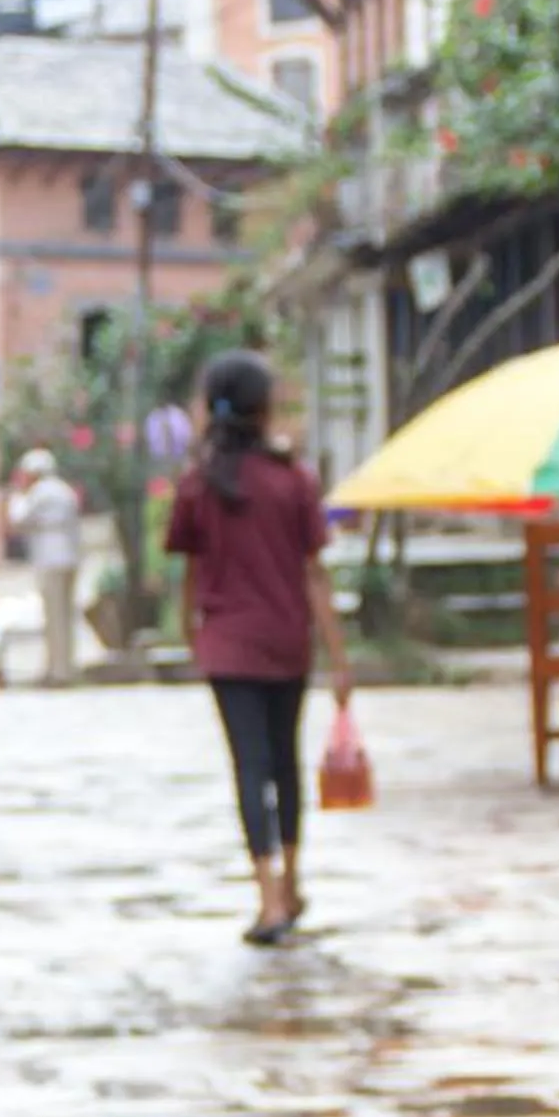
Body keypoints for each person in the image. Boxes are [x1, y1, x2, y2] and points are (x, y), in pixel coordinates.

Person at [166, 350, 354, 950]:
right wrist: (338, 654)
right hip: (285, 640)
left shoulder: (199, 484)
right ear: (264, 406)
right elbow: (314, 574)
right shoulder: (293, 480)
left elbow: (190, 573)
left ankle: (268, 891)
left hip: (228, 645)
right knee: (284, 763)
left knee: (248, 766)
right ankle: (292, 881)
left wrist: (191, 631)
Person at [7, 447, 83, 686]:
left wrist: (18, 495)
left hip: (50, 559)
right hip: (69, 557)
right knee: (65, 616)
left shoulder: (39, 492)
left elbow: (18, 518)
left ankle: (57, 671)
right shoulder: (64, 490)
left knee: (53, 617)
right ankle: (65, 666)